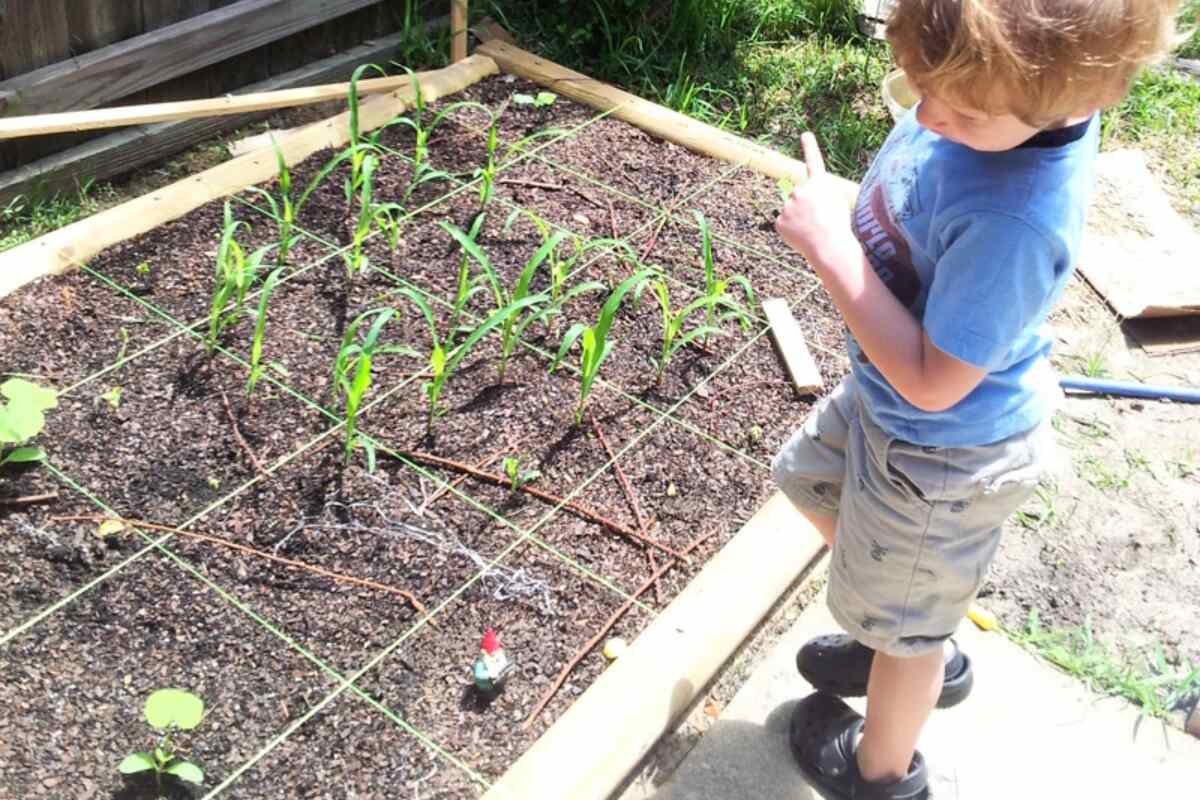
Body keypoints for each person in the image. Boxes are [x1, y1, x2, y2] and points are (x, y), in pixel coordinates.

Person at [771, 1, 1184, 798]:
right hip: (888, 409)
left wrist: (832, 250)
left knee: (909, 634)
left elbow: (932, 384)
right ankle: (902, 622)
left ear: (1078, 101)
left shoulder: (1013, 221)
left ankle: (883, 765)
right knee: (806, 478)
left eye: (959, 110)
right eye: (920, 85)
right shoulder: (1010, 101)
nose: (927, 115)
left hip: (940, 452)